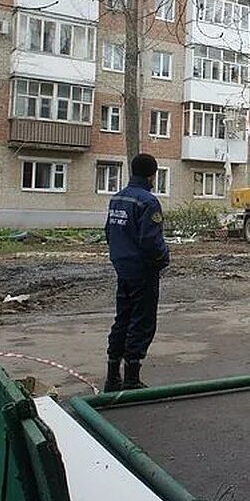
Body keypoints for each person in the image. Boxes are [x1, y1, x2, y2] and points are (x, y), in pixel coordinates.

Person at [103, 153, 170, 391]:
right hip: (143, 270)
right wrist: (163, 258)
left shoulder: (117, 198)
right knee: (142, 322)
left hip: (122, 267)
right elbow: (151, 240)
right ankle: (131, 376)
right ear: (152, 175)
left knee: (122, 318)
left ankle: (112, 376)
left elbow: (109, 232)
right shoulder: (148, 202)